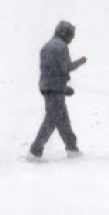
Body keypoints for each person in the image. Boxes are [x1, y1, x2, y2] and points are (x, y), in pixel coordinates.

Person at [28, 20, 87, 161]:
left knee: (62, 119)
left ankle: (72, 147)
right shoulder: (61, 48)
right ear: (66, 34)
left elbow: (50, 70)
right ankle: (35, 151)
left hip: (46, 86)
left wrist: (63, 88)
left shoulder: (46, 46)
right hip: (55, 88)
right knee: (51, 120)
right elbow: (66, 68)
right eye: (71, 36)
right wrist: (80, 62)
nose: (71, 40)